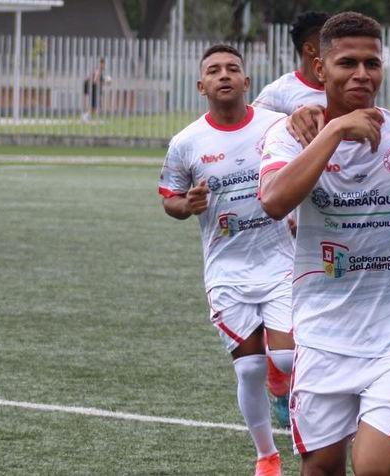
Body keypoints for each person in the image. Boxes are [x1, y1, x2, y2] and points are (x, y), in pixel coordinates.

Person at [258, 12, 390, 476]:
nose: (361, 74)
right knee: (321, 467)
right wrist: (334, 131)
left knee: (376, 467)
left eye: (371, 63)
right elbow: (274, 201)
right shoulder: (292, 136)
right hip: (321, 333)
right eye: (347, 63)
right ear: (320, 69)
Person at [157, 44, 294, 476]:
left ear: (246, 81)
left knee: (288, 360)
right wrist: (188, 204)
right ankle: (267, 455)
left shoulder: (278, 127)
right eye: (214, 71)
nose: (224, 75)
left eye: (233, 68)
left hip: (281, 262)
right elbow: (169, 200)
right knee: (250, 367)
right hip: (227, 270)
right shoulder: (186, 142)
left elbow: (307, 169)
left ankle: (283, 382)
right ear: (201, 86)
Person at [250, 9, 329, 430]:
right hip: (288, 221)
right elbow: (257, 149)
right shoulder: (279, 95)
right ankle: (282, 382)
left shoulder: (343, 89)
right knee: (294, 316)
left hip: (337, 219)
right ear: (311, 49)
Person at [253, 11, 329, 114]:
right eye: (328, 42)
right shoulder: (277, 92)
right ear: (310, 49)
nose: (338, 47)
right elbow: (256, 126)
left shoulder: (345, 89)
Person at [82, 57, 111, 122]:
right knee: (96, 105)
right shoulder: (98, 71)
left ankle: (87, 116)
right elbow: (95, 81)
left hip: (93, 89)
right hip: (93, 89)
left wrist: (104, 81)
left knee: (95, 106)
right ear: (101, 64)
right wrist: (105, 81)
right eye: (103, 64)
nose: (104, 66)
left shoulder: (98, 71)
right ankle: (86, 117)